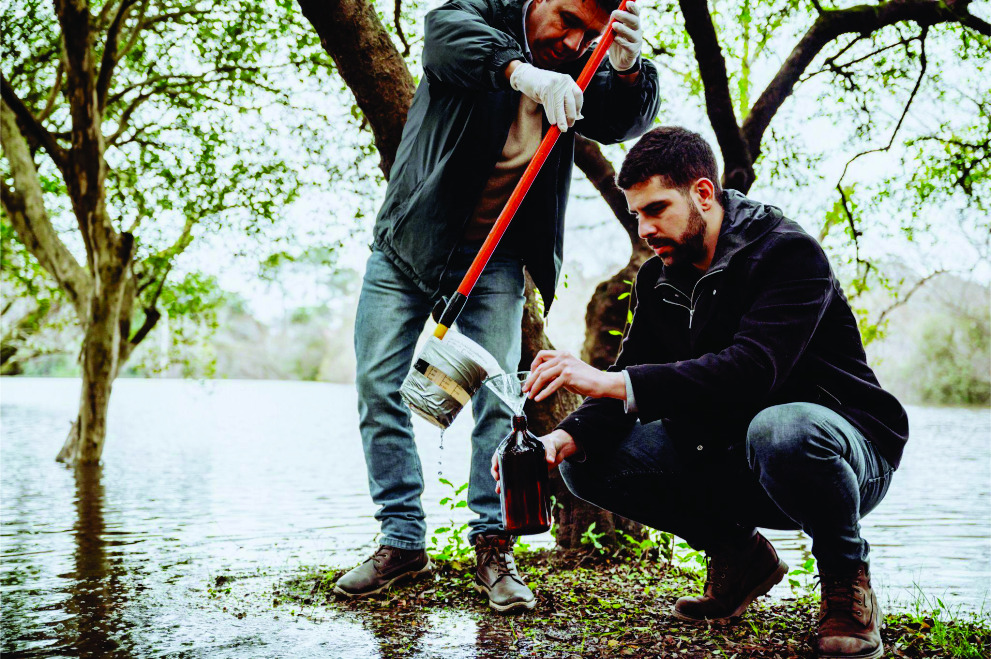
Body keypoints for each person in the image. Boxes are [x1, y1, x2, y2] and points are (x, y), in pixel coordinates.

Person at [498, 126, 908, 655]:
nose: (644, 228)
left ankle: (847, 583)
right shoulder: (657, 279)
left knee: (781, 427)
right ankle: (740, 558)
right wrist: (561, 439)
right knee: (584, 460)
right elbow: (633, 378)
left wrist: (609, 380)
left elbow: (752, 370)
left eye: (656, 209)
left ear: (704, 193)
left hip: (843, 453)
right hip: (734, 454)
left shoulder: (787, 254)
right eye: (636, 215)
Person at [335, 0, 661, 613]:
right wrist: (524, 74)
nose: (571, 41)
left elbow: (622, 120)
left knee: (498, 403)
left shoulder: (587, 64)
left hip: (498, 262)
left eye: (590, 32)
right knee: (380, 386)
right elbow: (444, 39)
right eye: (565, 18)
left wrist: (625, 68)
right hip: (408, 244)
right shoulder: (482, 14)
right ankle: (402, 543)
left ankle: (493, 546)